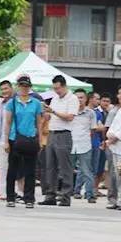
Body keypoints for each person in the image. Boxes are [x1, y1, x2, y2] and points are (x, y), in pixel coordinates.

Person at [4, 74, 43, 208]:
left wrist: (40, 139)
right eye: (21, 85)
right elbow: (8, 123)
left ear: (30, 87)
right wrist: (5, 141)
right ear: (17, 86)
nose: (24, 88)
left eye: (26, 86)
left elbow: (39, 122)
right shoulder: (12, 103)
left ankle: (29, 198)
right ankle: (10, 197)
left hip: (31, 139)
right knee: (12, 170)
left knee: (30, 171)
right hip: (14, 139)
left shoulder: (36, 103)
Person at [40, 75, 79, 206]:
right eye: (54, 88)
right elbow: (50, 116)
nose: (57, 91)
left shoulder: (72, 99)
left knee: (65, 167)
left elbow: (70, 117)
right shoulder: (55, 98)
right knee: (50, 166)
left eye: (58, 88)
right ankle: (50, 195)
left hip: (64, 134)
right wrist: (45, 112)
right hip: (52, 133)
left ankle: (65, 197)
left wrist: (53, 111)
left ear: (64, 86)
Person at [70, 89, 96, 203]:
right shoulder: (69, 112)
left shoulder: (90, 113)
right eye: (77, 97)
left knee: (86, 171)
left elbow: (93, 130)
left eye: (81, 97)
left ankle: (90, 194)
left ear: (86, 99)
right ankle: (67, 192)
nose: (79, 100)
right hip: (70, 144)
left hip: (85, 145)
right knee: (67, 170)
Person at [0, 79, 14, 200]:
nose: (4, 91)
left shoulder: (16, 103)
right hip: (0, 140)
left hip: (12, 139)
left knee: (14, 167)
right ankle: (2, 191)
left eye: (6, 88)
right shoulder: (0, 104)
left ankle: (15, 191)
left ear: (12, 88)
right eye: (2, 89)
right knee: (1, 167)